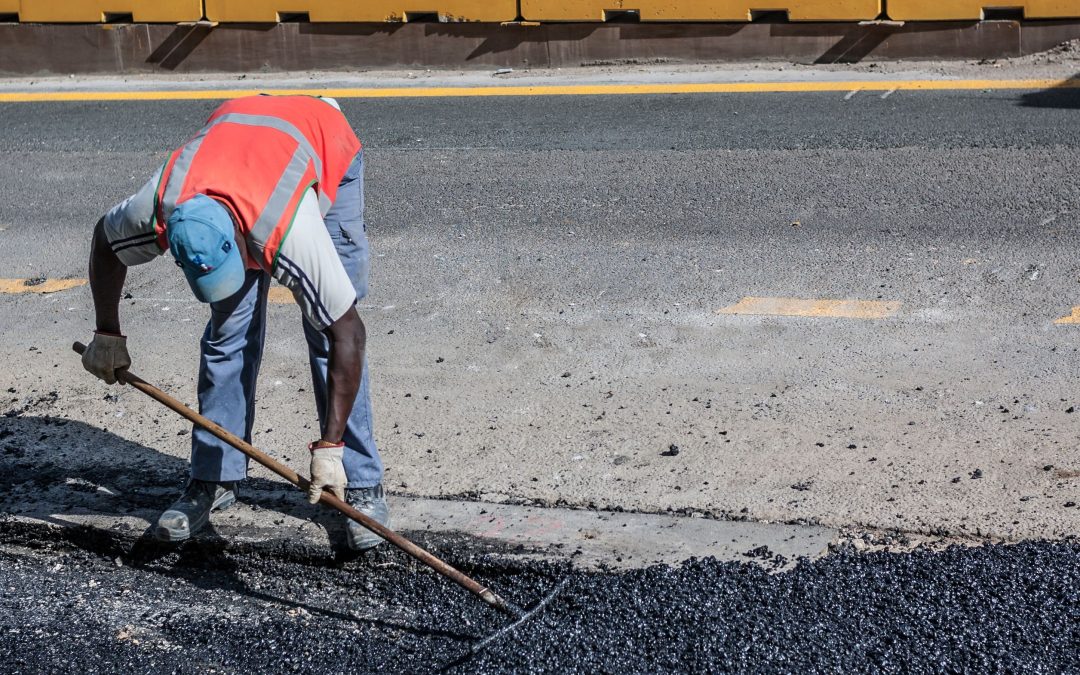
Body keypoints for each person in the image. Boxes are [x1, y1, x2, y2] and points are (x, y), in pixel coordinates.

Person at [80, 94, 388, 550]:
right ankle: (213, 478)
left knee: (326, 335)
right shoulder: (163, 204)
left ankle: (360, 483)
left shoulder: (287, 226)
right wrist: (107, 332)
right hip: (234, 147)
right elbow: (105, 242)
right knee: (228, 333)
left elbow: (348, 332)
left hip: (321, 142)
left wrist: (330, 447)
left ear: (243, 242)